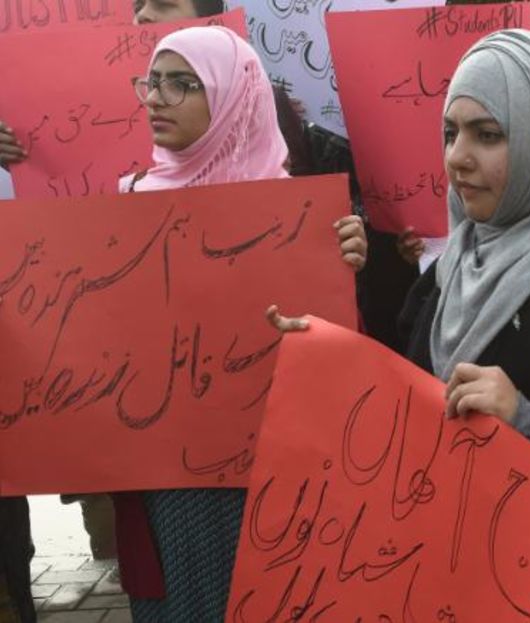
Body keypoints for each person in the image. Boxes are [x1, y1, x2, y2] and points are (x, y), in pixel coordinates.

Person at [270, 29, 530, 622]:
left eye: (488, 135)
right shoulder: (445, 278)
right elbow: (405, 409)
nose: (457, 157)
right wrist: (324, 345)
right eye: (450, 132)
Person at [116, 25, 366, 621]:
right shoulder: (125, 200)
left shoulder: (295, 210)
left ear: (232, 94)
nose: (155, 98)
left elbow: (339, 359)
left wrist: (347, 270)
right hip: (165, 479)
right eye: (152, 82)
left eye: (182, 84)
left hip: (269, 475)